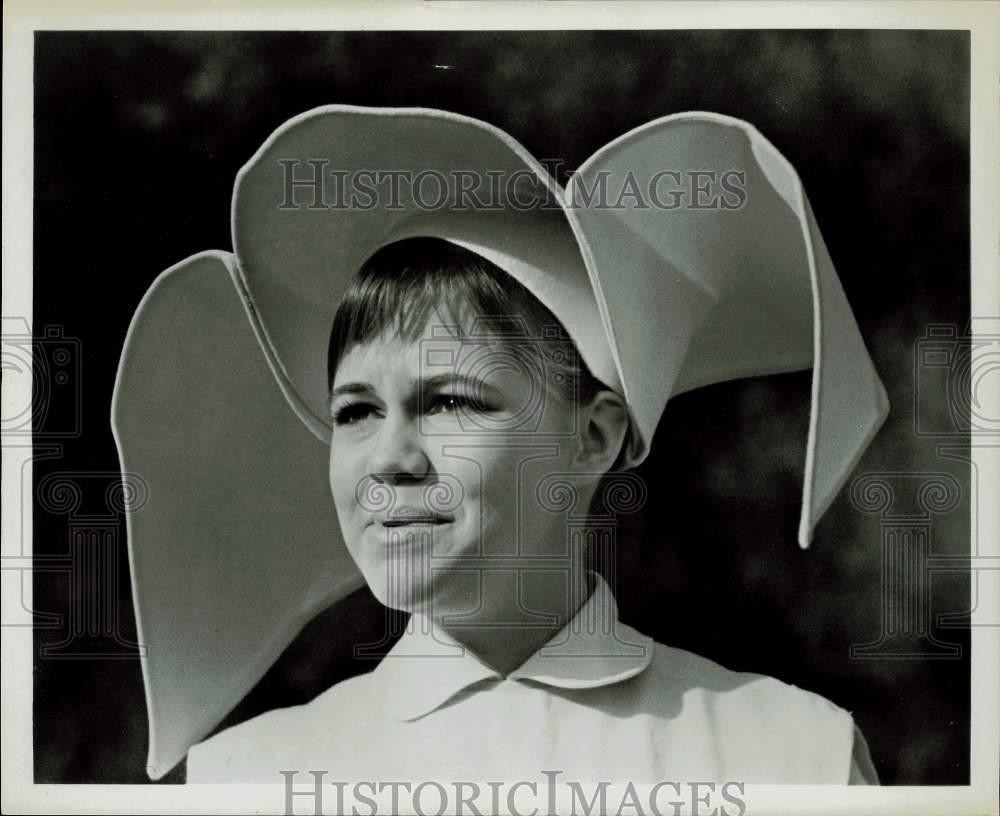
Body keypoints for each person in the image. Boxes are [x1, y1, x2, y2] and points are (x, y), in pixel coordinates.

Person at [112, 105, 888, 790]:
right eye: (354, 412)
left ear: (591, 438)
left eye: (449, 401)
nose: (389, 458)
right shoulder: (248, 780)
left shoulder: (789, 756)